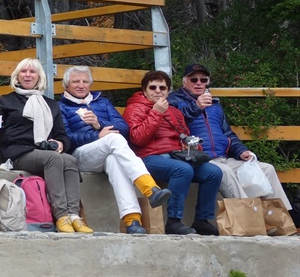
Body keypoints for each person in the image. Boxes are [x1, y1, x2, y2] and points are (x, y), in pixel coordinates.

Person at [58, 66, 171, 235]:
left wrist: (98, 124)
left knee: (114, 159)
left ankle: (132, 220)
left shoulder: (102, 102)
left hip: (106, 153)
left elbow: (124, 129)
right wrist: (97, 136)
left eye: (85, 81)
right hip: (80, 156)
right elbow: (66, 138)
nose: (81, 85)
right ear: (66, 85)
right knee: (114, 139)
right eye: (76, 81)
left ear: (90, 84)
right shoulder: (60, 106)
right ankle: (150, 189)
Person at [0, 59, 92, 233]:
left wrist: (60, 143)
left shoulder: (51, 104)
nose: (27, 75)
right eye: (23, 71)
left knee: (70, 160)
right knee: (55, 159)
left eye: (32, 72)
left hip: (44, 151)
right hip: (18, 151)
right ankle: (61, 216)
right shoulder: (6, 101)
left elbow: (63, 135)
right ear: (17, 76)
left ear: (39, 76)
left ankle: (74, 216)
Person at [170, 63, 293, 211]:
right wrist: (196, 107)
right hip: (198, 159)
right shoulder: (174, 101)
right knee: (225, 171)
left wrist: (241, 151)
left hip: (224, 157)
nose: (198, 83)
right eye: (193, 79)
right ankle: (250, 217)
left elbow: (227, 134)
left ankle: (281, 218)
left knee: (267, 169)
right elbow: (174, 125)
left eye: (203, 80)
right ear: (184, 82)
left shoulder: (215, 104)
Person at [124, 70, 224, 235]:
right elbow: (137, 139)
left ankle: (202, 220)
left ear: (168, 91)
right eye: (153, 87)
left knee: (213, 172)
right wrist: (156, 112)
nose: (158, 91)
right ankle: (174, 221)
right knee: (182, 169)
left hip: (175, 155)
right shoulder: (134, 108)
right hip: (148, 157)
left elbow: (183, 134)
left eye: (162, 88)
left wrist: (190, 146)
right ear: (144, 90)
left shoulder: (174, 110)